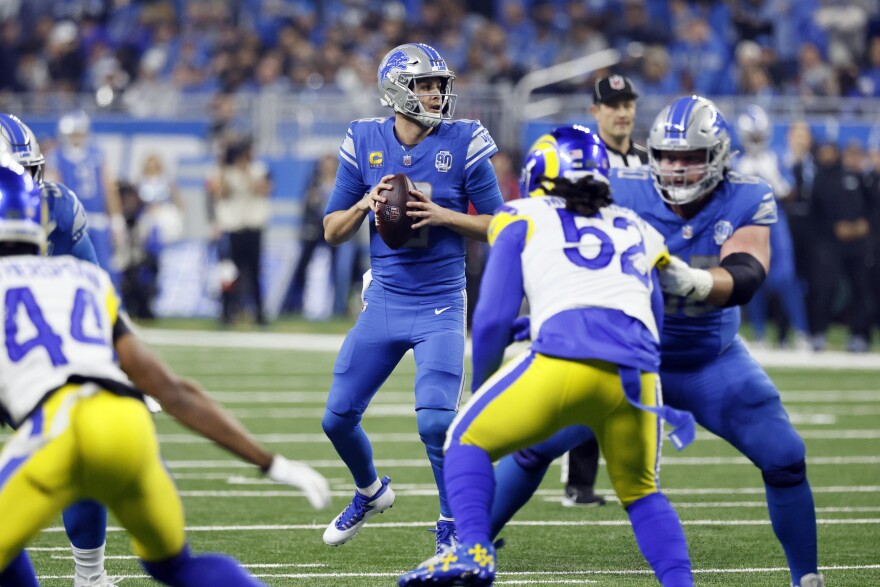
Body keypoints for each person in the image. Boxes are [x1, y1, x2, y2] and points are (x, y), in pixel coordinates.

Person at [489, 96, 824, 587]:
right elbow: (554, 239)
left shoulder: (747, 194)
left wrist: (699, 282)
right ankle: (466, 546)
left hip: (709, 360)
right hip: (623, 354)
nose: (676, 168)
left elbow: (747, 273)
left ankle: (807, 577)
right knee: (534, 444)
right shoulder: (620, 186)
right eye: (667, 156)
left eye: (690, 157)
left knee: (785, 456)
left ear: (718, 156)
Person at [0, 160, 331, 587]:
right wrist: (270, 462)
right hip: (129, 424)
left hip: (61, 427)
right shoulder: (84, 279)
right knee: (176, 566)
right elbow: (170, 389)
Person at [399, 126, 695, 587]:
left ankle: (473, 549)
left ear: (539, 175)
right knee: (642, 493)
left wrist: (483, 385)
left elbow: (492, 319)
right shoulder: (636, 226)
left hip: (565, 362)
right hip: (637, 375)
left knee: (464, 439)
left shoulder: (522, 213)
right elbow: (650, 317)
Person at [320, 43, 504, 554]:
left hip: (440, 303)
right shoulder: (364, 138)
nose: (437, 94)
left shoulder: (464, 140)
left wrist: (446, 216)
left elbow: (505, 225)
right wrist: (364, 203)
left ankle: (452, 522)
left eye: (439, 85)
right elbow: (332, 231)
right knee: (336, 418)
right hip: (385, 299)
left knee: (436, 421)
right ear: (397, 90)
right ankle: (370, 491)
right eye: (425, 85)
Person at [0, 112, 109, 586]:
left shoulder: (58, 208)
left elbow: (95, 290)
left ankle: (90, 576)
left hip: (30, 355)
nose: (26, 187)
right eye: (13, 176)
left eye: (30, 173)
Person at [563, 74, 650, 509]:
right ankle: (578, 481)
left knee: (640, 381)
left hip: (639, 282)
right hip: (592, 279)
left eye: (627, 103)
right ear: (595, 111)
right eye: (613, 105)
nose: (622, 112)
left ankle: (636, 477)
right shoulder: (581, 159)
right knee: (590, 380)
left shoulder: (650, 160)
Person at [734, 104, 811, 350]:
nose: (756, 141)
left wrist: (773, 179)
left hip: (776, 221)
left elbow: (789, 192)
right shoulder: (736, 162)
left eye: (759, 136)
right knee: (753, 278)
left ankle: (801, 332)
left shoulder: (775, 158)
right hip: (748, 225)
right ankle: (759, 334)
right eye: (753, 136)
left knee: (786, 278)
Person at [46, 110, 124, 284]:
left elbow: (108, 188)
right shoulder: (56, 157)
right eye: (74, 133)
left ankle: (110, 301)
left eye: (80, 133)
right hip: (73, 222)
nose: (77, 137)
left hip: (97, 219)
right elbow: (56, 191)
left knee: (105, 269)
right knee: (71, 271)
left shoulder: (96, 154)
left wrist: (116, 218)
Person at [209, 136, 271, 326]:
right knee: (228, 271)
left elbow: (263, 190)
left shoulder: (259, 169)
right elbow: (219, 194)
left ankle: (259, 312)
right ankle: (227, 311)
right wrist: (223, 166)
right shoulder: (225, 172)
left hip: (252, 226)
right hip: (232, 227)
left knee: (254, 271)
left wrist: (245, 171)